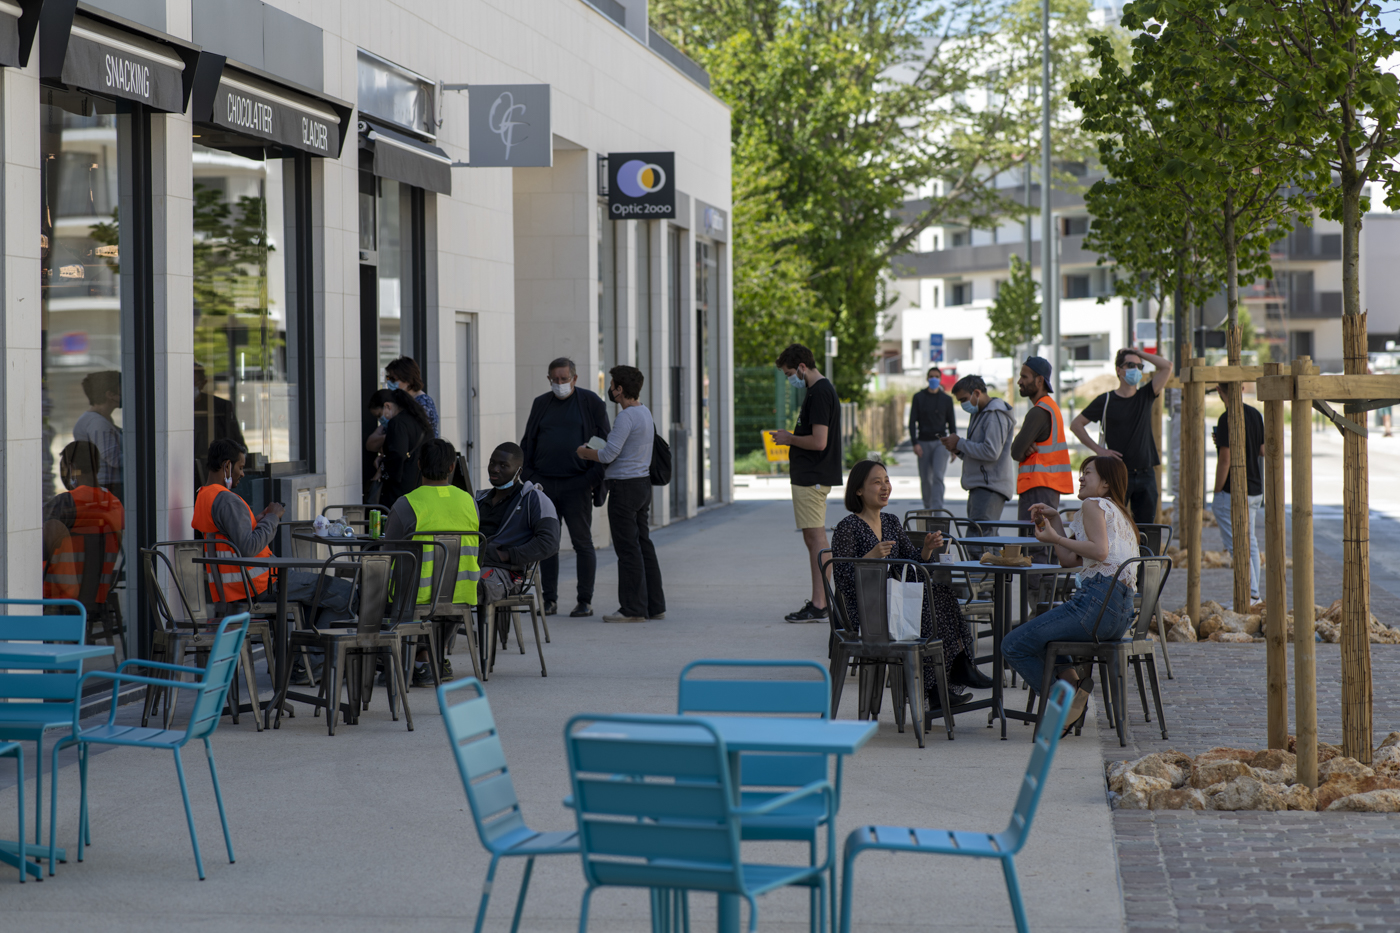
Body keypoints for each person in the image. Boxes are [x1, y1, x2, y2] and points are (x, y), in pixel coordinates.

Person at [831, 459, 989, 705]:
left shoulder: (891, 522)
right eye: (877, 482)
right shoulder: (847, 527)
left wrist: (926, 549)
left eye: (887, 481)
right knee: (928, 603)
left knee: (942, 594)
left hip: (895, 603)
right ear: (858, 490)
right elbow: (842, 579)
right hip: (866, 611)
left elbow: (911, 564)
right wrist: (870, 558)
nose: (885, 487)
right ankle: (938, 686)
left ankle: (956, 669)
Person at [1003, 456, 1141, 734]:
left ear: (1105, 483)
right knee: (1042, 635)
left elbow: (1099, 551)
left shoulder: (1093, 504)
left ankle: (1062, 704)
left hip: (1095, 604)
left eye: (1087, 473)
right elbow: (1068, 559)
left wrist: (1055, 538)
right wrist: (1055, 521)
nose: (1080, 478)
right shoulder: (1118, 513)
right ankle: (1073, 688)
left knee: (1012, 645)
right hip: (1119, 616)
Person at [194, 438, 354, 622]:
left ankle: (307, 638)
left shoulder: (205, 496)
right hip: (262, 584)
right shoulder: (228, 500)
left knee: (319, 599)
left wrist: (256, 521)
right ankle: (318, 641)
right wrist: (273, 517)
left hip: (238, 588)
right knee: (347, 594)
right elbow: (248, 547)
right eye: (241, 467)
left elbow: (230, 537)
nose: (243, 473)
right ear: (227, 466)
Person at [383, 438, 483, 685]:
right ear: (452, 467)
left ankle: (406, 658)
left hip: (414, 596)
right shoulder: (469, 502)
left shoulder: (406, 504)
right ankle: (427, 657)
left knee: (372, 590)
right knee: (440, 608)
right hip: (461, 592)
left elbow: (387, 553)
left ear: (419, 465)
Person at [520, 356, 610, 618]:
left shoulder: (591, 403)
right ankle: (549, 600)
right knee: (548, 543)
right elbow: (528, 442)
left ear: (574, 378)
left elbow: (604, 445)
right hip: (544, 485)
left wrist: (589, 480)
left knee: (583, 543)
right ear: (549, 379)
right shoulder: (541, 404)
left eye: (564, 379)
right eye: (555, 379)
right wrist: (530, 477)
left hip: (578, 484)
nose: (559, 383)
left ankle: (584, 601)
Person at [576, 365, 664, 623]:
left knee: (627, 549)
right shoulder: (644, 411)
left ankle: (632, 609)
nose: (610, 389)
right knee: (643, 544)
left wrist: (584, 451)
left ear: (620, 389)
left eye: (612, 385)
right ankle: (654, 605)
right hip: (642, 485)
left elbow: (607, 455)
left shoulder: (626, 417)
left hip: (624, 488)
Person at [771, 344, 842, 623]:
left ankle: (819, 603)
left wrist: (789, 438)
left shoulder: (820, 392)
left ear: (802, 367)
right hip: (810, 477)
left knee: (817, 540)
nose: (790, 379)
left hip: (813, 477)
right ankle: (819, 602)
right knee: (813, 539)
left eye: (789, 373)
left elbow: (819, 441)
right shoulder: (817, 391)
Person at [1070, 347, 1172, 524]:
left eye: (1139, 366)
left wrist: (1139, 353)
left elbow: (1167, 366)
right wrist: (1099, 450)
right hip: (1117, 474)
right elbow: (1076, 425)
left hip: (1146, 473)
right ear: (1119, 370)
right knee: (1113, 524)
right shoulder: (1106, 400)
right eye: (1131, 365)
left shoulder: (1145, 395)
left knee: (1146, 528)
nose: (1136, 369)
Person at [474, 442, 561, 632]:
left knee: (473, 585)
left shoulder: (533, 499)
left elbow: (550, 542)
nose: (495, 469)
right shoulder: (478, 500)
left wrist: (507, 555)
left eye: (503, 465)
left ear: (518, 471)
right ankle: (437, 646)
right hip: (472, 565)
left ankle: (479, 645)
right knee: (439, 584)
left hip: (506, 572)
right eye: (492, 463)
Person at [43, 441, 125, 604]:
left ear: (73, 468)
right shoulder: (115, 504)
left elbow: (35, 544)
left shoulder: (64, 503)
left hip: (59, 596)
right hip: (99, 595)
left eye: (63, 469)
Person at [1211, 385, 1266, 602]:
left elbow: (1226, 459)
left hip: (1234, 490)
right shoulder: (1255, 414)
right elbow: (1262, 450)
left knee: (1237, 543)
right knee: (1250, 541)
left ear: (1219, 390)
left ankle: (1251, 593)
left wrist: (1217, 491)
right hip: (1255, 488)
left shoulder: (1227, 418)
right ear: (1242, 387)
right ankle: (1254, 594)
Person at [943, 375, 1015, 529]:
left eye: (964, 399)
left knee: (979, 538)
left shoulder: (994, 414)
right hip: (980, 486)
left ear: (976, 393)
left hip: (990, 487)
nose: (963, 404)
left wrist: (960, 443)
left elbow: (991, 452)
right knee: (986, 538)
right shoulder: (979, 413)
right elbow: (978, 451)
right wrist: (958, 449)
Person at [1011, 356, 1073, 521]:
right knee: (1043, 536)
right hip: (1046, 488)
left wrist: (1025, 449)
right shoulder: (1050, 407)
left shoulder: (1039, 412)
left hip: (1037, 488)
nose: (1019, 381)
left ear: (1039, 381)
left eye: (1024, 377)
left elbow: (1016, 452)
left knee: (1033, 537)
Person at [909, 365, 957, 511]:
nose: (934, 379)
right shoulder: (918, 397)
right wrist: (915, 443)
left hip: (941, 443)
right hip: (923, 442)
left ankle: (937, 510)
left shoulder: (946, 399)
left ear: (940, 379)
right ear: (927, 378)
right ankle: (928, 508)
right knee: (925, 479)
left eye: (936, 377)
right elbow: (912, 422)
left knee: (938, 476)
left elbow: (952, 423)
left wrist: (954, 446)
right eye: (931, 377)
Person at [73, 370, 123, 502]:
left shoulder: (99, 420)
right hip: (110, 486)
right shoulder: (97, 423)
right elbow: (114, 459)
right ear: (110, 395)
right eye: (122, 388)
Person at [380, 388, 433, 508]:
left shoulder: (397, 422)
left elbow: (398, 453)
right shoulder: (421, 421)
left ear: (388, 406)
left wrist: (384, 468)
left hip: (401, 484)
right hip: (421, 481)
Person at [194, 364, 245, 467]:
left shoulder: (220, 407)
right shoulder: (170, 408)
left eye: (194, 383)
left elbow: (239, 447)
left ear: (203, 384)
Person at [385, 356, 438, 438]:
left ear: (408, 380)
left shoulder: (423, 403)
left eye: (393, 379)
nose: (389, 382)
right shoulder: (402, 400)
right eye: (388, 378)